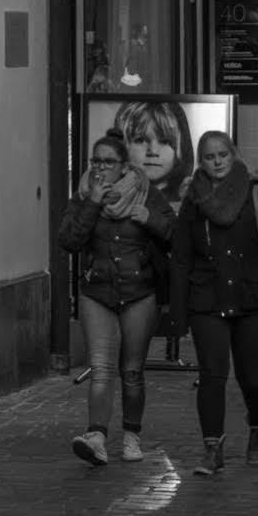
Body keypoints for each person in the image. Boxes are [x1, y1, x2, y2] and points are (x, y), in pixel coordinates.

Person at [170, 130, 258, 474]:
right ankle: (213, 448)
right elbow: (181, 257)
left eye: (222, 154)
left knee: (251, 377)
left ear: (233, 154)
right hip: (207, 298)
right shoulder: (194, 201)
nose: (217, 161)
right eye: (209, 157)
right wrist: (177, 312)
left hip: (250, 298)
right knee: (212, 376)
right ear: (201, 161)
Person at [59, 127, 175, 466]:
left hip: (139, 292)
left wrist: (150, 219)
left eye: (108, 162)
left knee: (133, 370)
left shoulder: (146, 193)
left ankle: (132, 436)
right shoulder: (83, 196)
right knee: (101, 368)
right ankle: (96, 436)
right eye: (96, 161)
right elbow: (68, 241)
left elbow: (174, 235)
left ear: (124, 166)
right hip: (97, 292)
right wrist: (93, 202)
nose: (100, 168)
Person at [113, 100, 194, 207]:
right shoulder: (111, 194)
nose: (153, 151)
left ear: (181, 146)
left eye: (165, 141)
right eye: (140, 140)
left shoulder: (190, 196)